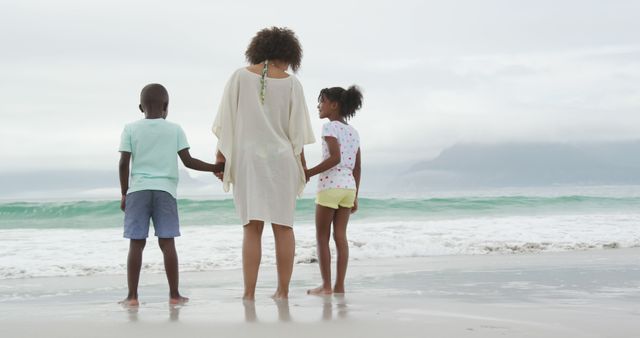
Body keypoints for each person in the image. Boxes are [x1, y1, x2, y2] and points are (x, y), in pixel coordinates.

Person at [212, 27, 315, 301]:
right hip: (282, 160)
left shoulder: (239, 77)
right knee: (284, 227)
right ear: (289, 54)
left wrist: (220, 158)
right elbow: (298, 135)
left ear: (259, 50)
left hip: (249, 160)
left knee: (252, 227)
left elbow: (226, 122)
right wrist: (302, 167)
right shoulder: (293, 84)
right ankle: (282, 291)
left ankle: (248, 293)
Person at [118, 83, 223, 307]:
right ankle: (174, 295)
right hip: (165, 191)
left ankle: (132, 297)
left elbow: (123, 163)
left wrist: (124, 193)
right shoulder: (175, 129)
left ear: (140, 107)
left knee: (136, 244)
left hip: (137, 191)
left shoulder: (130, 129)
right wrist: (216, 167)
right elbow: (189, 161)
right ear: (166, 106)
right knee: (167, 243)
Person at [305, 85, 363, 295]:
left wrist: (308, 172)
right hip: (348, 187)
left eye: (322, 101)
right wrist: (355, 195)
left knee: (322, 237)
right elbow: (357, 167)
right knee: (341, 237)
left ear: (334, 105)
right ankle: (340, 286)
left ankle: (326, 286)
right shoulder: (353, 132)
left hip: (330, 186)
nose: (319, 106)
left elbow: (335, 158)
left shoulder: (329, 128)